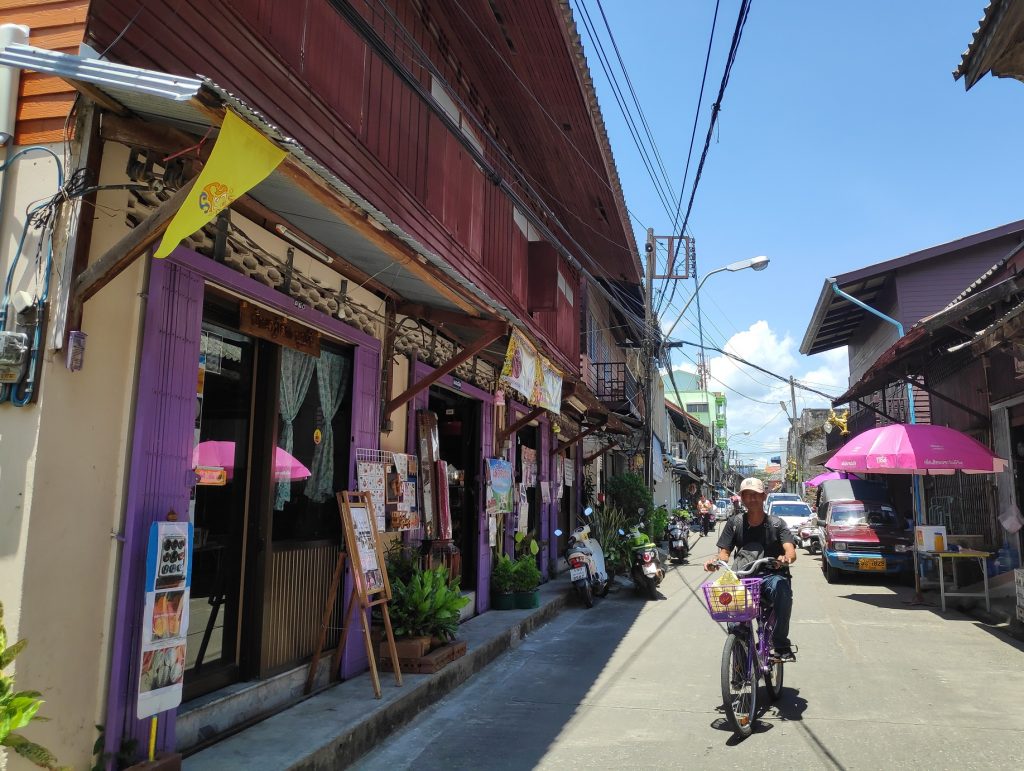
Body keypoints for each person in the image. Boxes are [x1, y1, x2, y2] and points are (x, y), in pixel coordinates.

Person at [704, 477, 797, 662]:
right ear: (742, 498)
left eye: (755, 495)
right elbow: (724, 553)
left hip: (771, 576)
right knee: (736, 625)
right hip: (743, 578)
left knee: (782, 589)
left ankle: (780, 644)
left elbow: (790, 551)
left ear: (763, 496)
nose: (751, 499)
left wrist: (785, 558)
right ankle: (739, 671)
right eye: (747, 495)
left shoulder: (777, 524)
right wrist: (716, 561)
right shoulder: (735, 522)